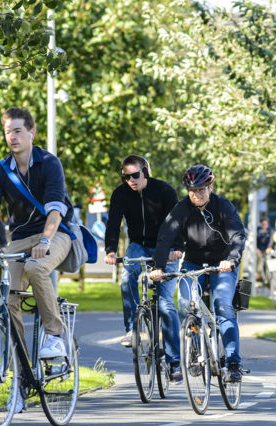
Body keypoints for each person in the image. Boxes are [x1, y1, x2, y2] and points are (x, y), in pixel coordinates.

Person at [0, 107, 75, 371]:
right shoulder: (0, 170)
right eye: (8, 131)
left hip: (55, 234)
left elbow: (56, 207)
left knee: (36, 267)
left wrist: (45, 241)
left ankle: (55, 337)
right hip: (20, 238)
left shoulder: (49, 163)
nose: (12, 137)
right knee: (9, 298)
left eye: (18, 131)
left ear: (31, 133)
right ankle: (20, 370)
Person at [150, 164, 246, 383]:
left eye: (201, 189)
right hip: (193, 262)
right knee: (185, 304)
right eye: (192, 190)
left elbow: (238, 235)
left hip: (222, 263)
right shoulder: (181, 208)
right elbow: (165, 236)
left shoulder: (224, 206)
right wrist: (159, 267)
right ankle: (195, 351)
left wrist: (231, 260)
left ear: (210, 186)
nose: (197, 194)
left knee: (223, 306)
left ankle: (233, 363)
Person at [103, 154, 184, 382]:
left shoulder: (165, 191)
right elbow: (113, 223)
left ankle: (173, 361)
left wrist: (176, 248)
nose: (131, 180)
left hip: (166, 247)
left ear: (145, 172)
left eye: (135, 175)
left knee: (166, 304)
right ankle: (132, 329)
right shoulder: (120, 194)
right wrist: (110, 250)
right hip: (138, 245)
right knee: (127, 274)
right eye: (126, 176)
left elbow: (175, 223)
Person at [255, 217, 271, 285]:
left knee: (267, 264)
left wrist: (269, 248)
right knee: (260, 263)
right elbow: (254, 241)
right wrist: (256, 249)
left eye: (266, 224)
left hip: (266, 250)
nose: (265, 226)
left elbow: (271, 241)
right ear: (260, 224)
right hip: (259, 250)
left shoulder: (269, 231)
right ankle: (259, 277)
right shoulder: (257, 231)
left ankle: (266, 280)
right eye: (263, 224)